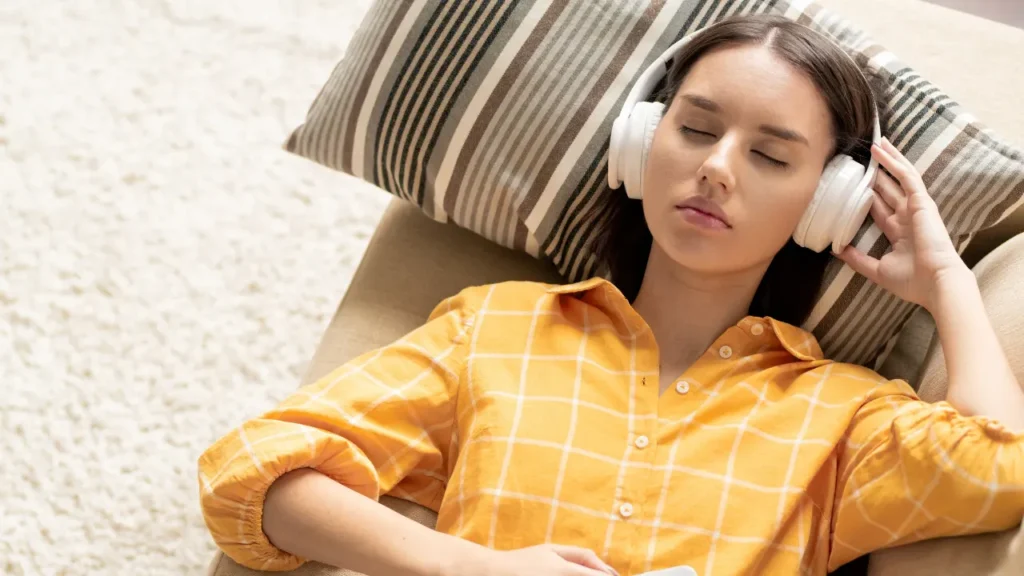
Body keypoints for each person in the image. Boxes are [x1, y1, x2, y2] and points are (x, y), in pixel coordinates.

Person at [197, 14, 1024, 576]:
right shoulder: (500, 331)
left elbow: (1002, 466)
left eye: (771, 157)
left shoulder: (842, 416)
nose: (716, 167)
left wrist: (944, 281)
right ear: (640, 145)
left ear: (823, 205)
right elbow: (252, 473)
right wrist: (466, 566)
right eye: (696, 129)